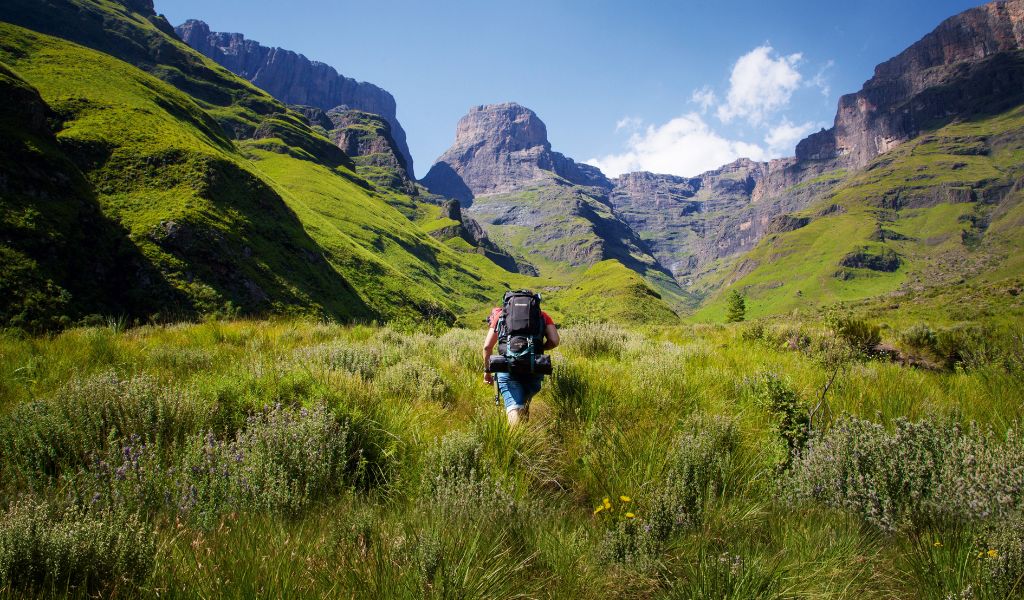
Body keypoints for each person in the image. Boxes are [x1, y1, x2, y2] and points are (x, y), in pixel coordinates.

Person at [482, 302, 559, 425]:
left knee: (514, 406)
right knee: (523, 403)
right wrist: (538, 349)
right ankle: (525, 435)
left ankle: (517, 442)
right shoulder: (542, 315)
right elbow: (554, 341)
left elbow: (487, 347)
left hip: (508, 367)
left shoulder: (501, 315)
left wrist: (487, 372)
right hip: (534, 366)